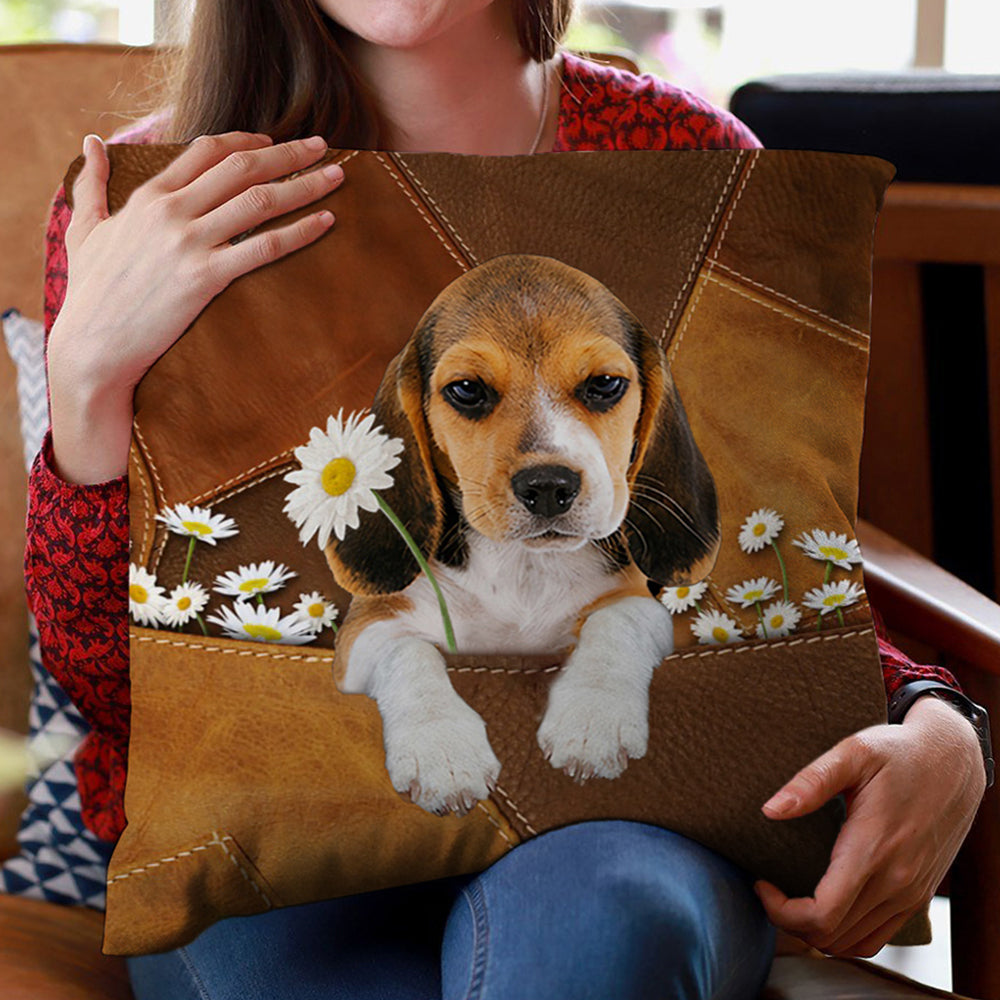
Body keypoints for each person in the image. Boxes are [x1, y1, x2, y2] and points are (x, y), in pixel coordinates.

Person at [25, 1, 988, 997]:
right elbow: (106, 682)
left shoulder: (689, 162)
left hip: (622, 816)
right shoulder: (154, 202)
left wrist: (935, 713)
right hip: (268, 819)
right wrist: (89, 380)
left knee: (603, 923)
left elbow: (759, 557)